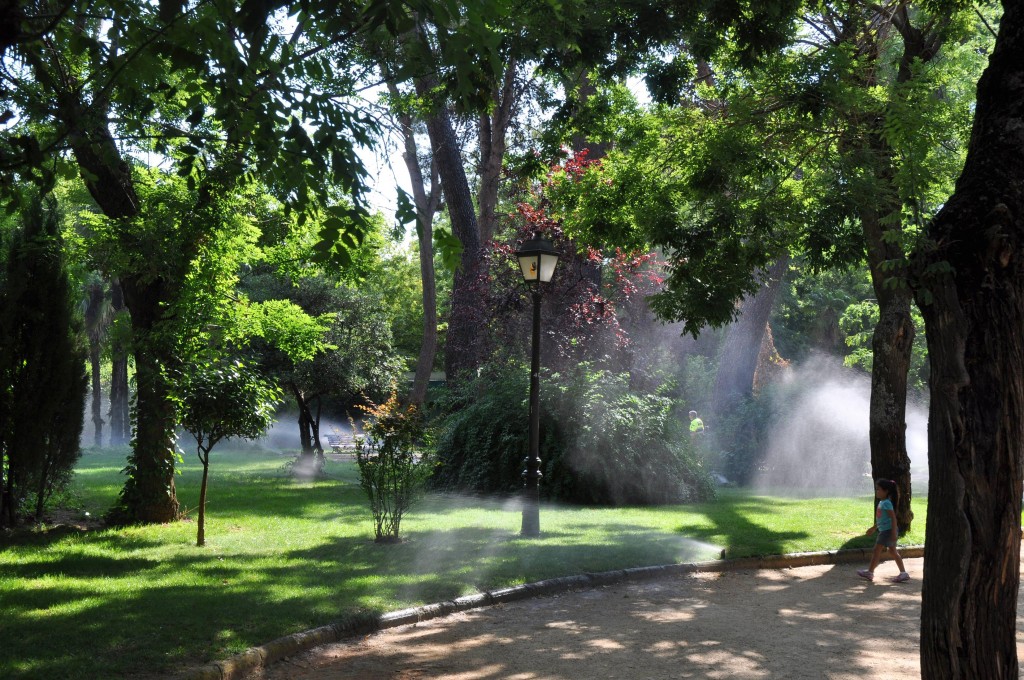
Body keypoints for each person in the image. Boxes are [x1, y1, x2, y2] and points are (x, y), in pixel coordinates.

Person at [857, 479, 910, 583]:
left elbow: (893, 518)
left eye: (879, 490)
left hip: (887, 531)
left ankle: (870, 572)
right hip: (886, 530)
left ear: (886, 491)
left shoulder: (886, 503)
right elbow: (883, 519)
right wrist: (874, 528)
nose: (877, 491)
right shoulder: (883, 502)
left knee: (877, 550)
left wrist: (894, 532)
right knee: (892, 551)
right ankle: (903, 573)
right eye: (876, 489)